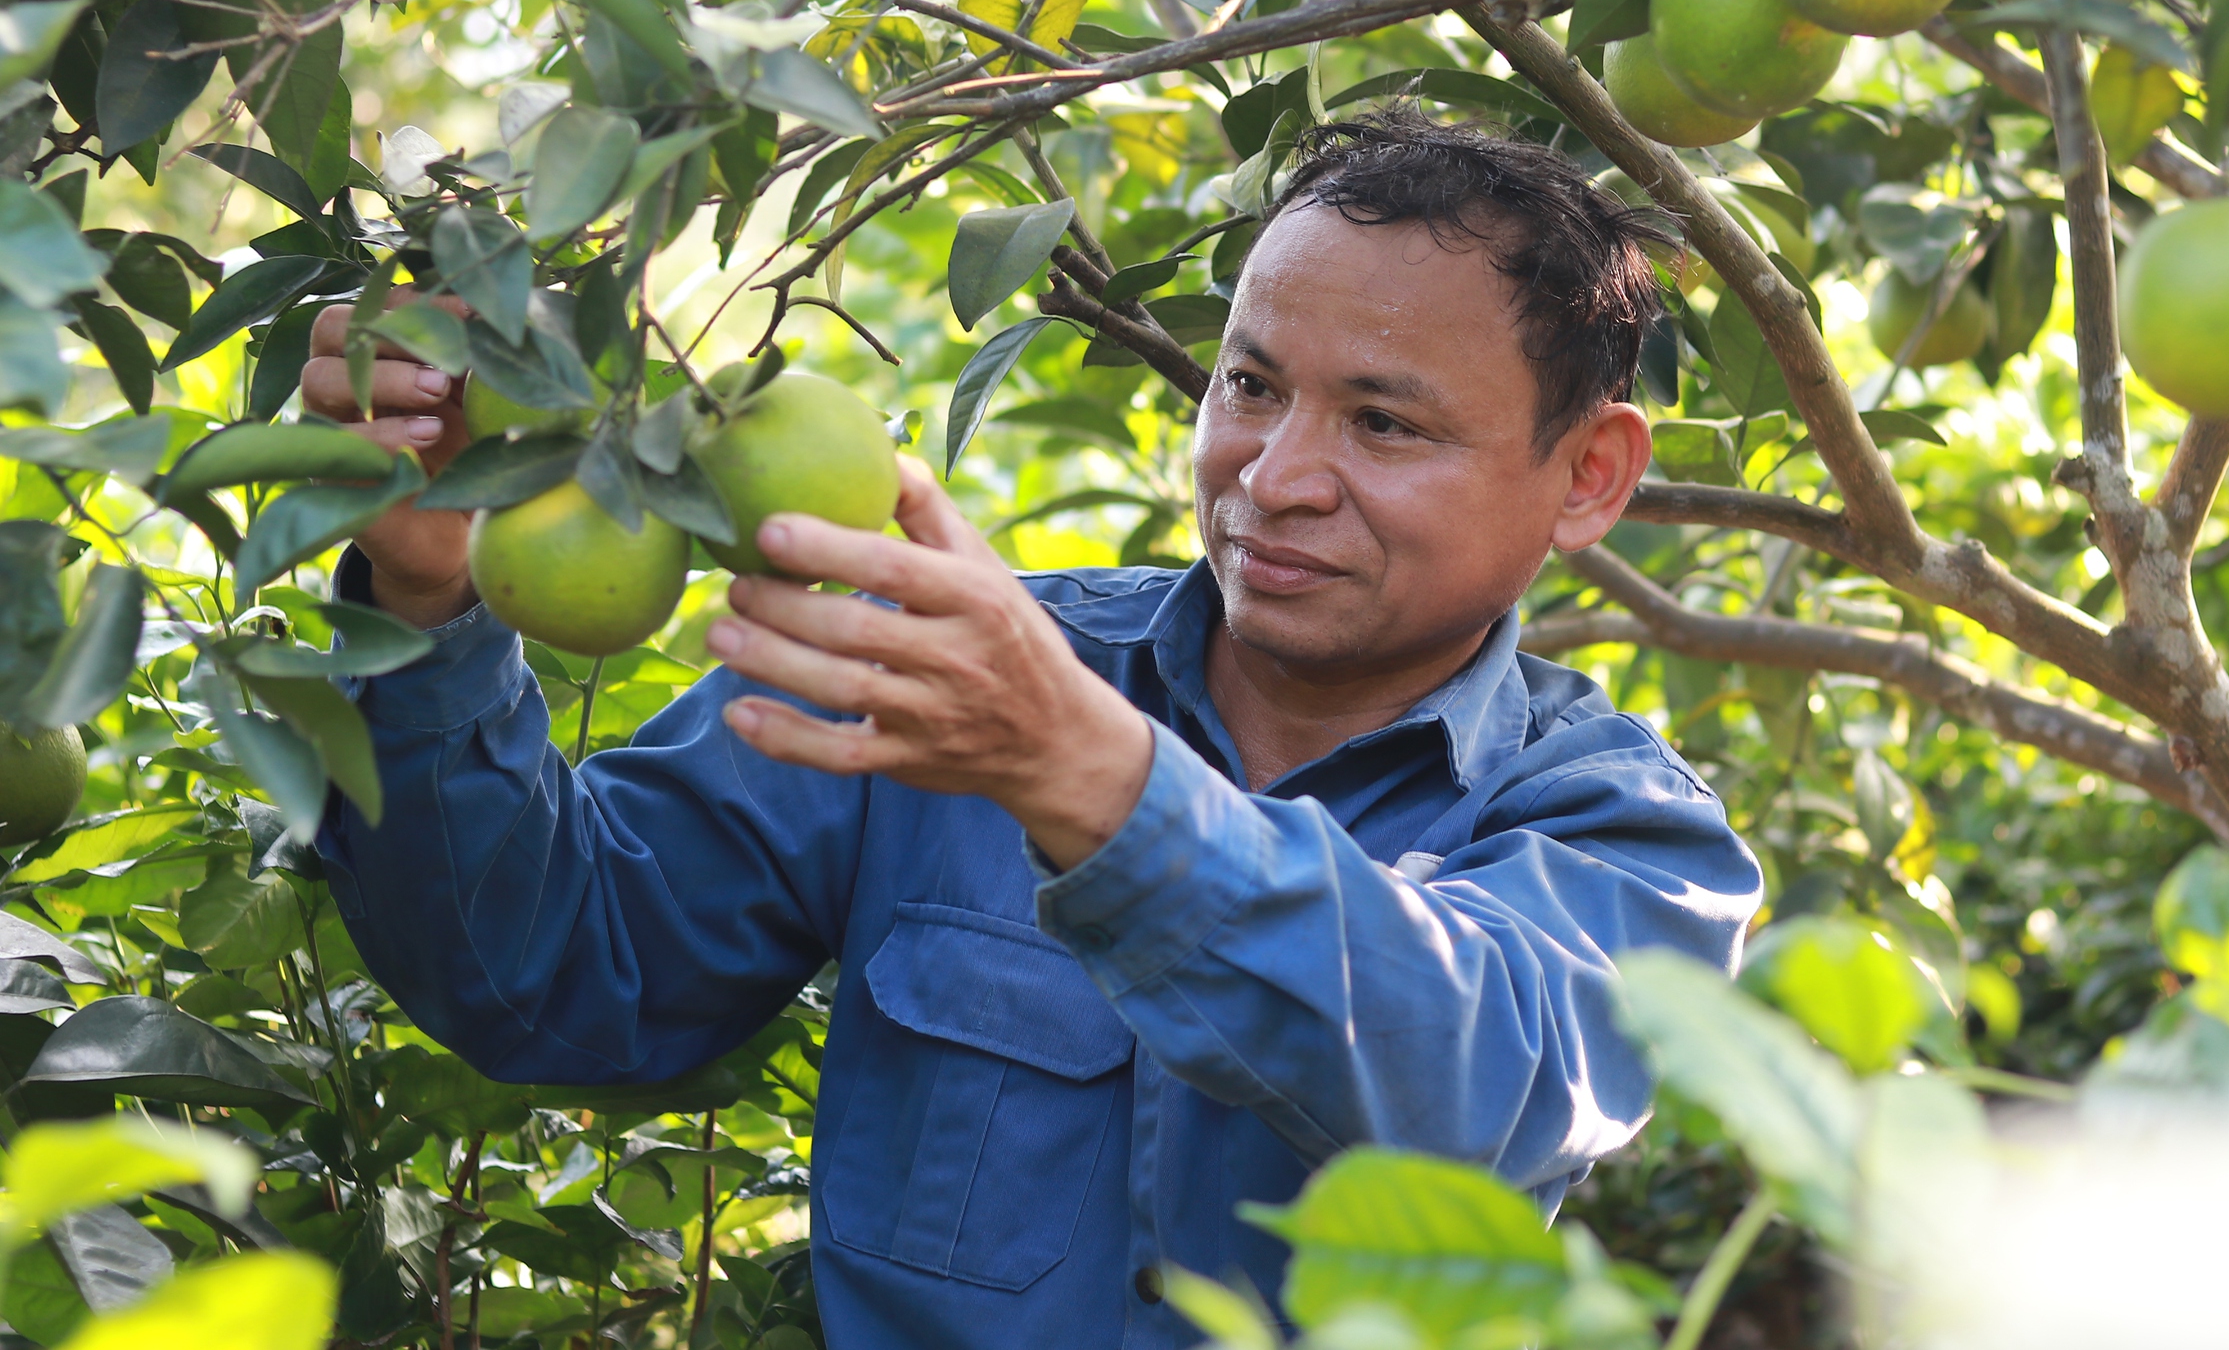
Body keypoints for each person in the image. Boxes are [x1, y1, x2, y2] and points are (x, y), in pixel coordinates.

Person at [303, 110, 1763, 1349]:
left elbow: (1474, 1085)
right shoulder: (968, 668)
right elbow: (549, 974)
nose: (1278, 476)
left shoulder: (1625, 837)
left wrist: (1087, 775)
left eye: (1386, 424)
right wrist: (422, 602)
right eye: (1251, 386)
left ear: (1586, 477)